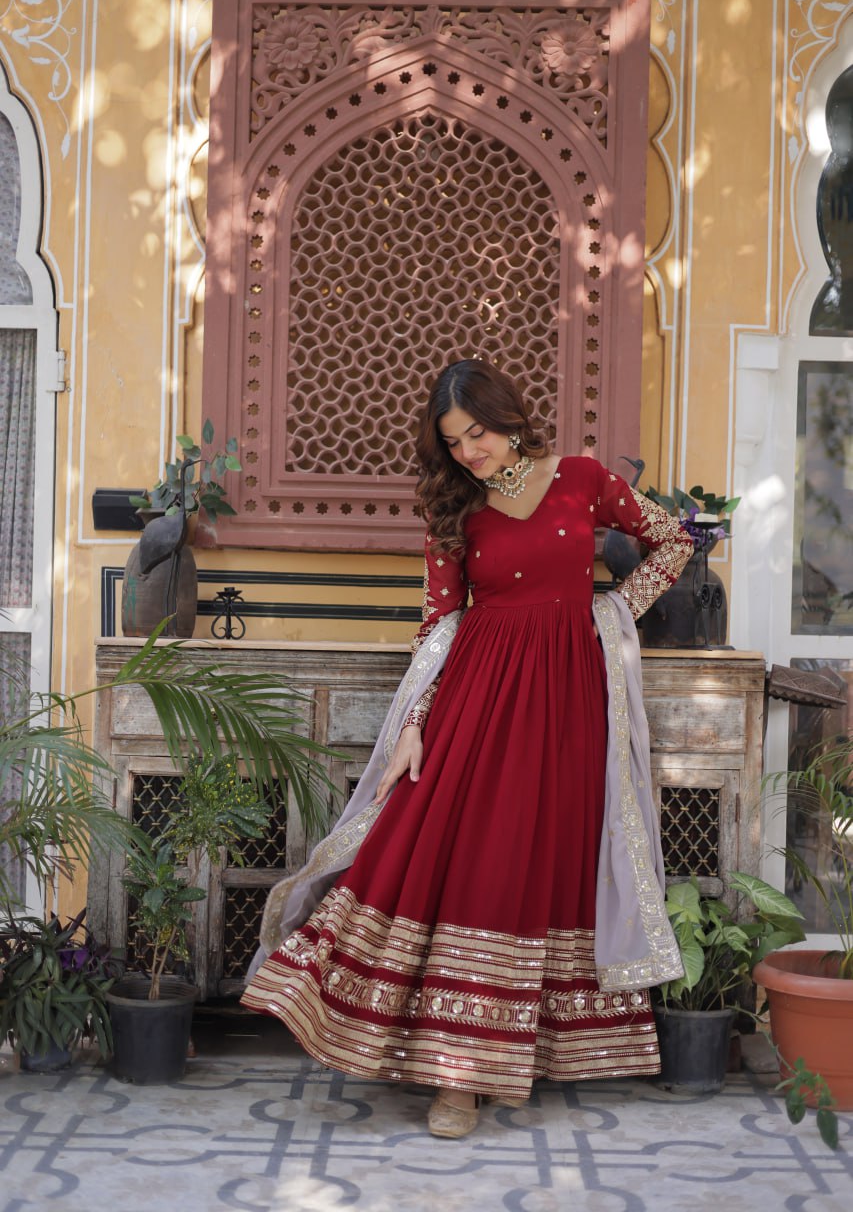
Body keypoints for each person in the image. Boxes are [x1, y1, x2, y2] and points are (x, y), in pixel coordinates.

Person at [242, 359, 693, 1138]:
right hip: (478, 696)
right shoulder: (457, 510)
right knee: (456, 854)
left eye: (477, 434)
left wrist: (612, 611)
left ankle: (512, 1058)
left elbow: (671, 541)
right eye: (453, 443)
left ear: (508, 417)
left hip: (569, 697)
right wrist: (413, 725)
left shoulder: (582, 478)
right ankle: (452, 1078)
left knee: (540, 857)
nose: (469, 453)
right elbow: (438, 622)